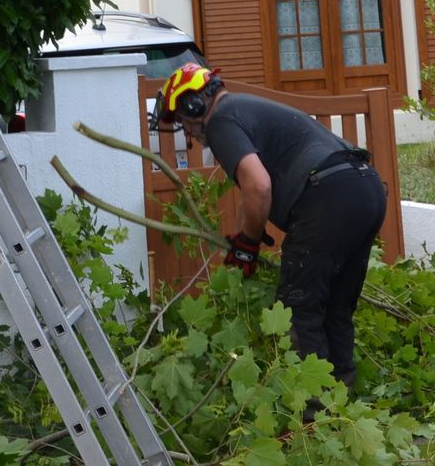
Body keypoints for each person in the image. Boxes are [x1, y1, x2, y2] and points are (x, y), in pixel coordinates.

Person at [154, 62, 388, 391]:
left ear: (194, 104)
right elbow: (251, 196)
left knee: (300, 304)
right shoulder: (243, 109)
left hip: (328, 197)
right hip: (364, 188)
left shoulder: (221, 121)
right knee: (335, 303)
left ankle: (314, 409)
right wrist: (240, 240)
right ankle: (341, 398)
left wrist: (248, 248)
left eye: (182, 120)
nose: (187, 131)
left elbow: (259, 187)